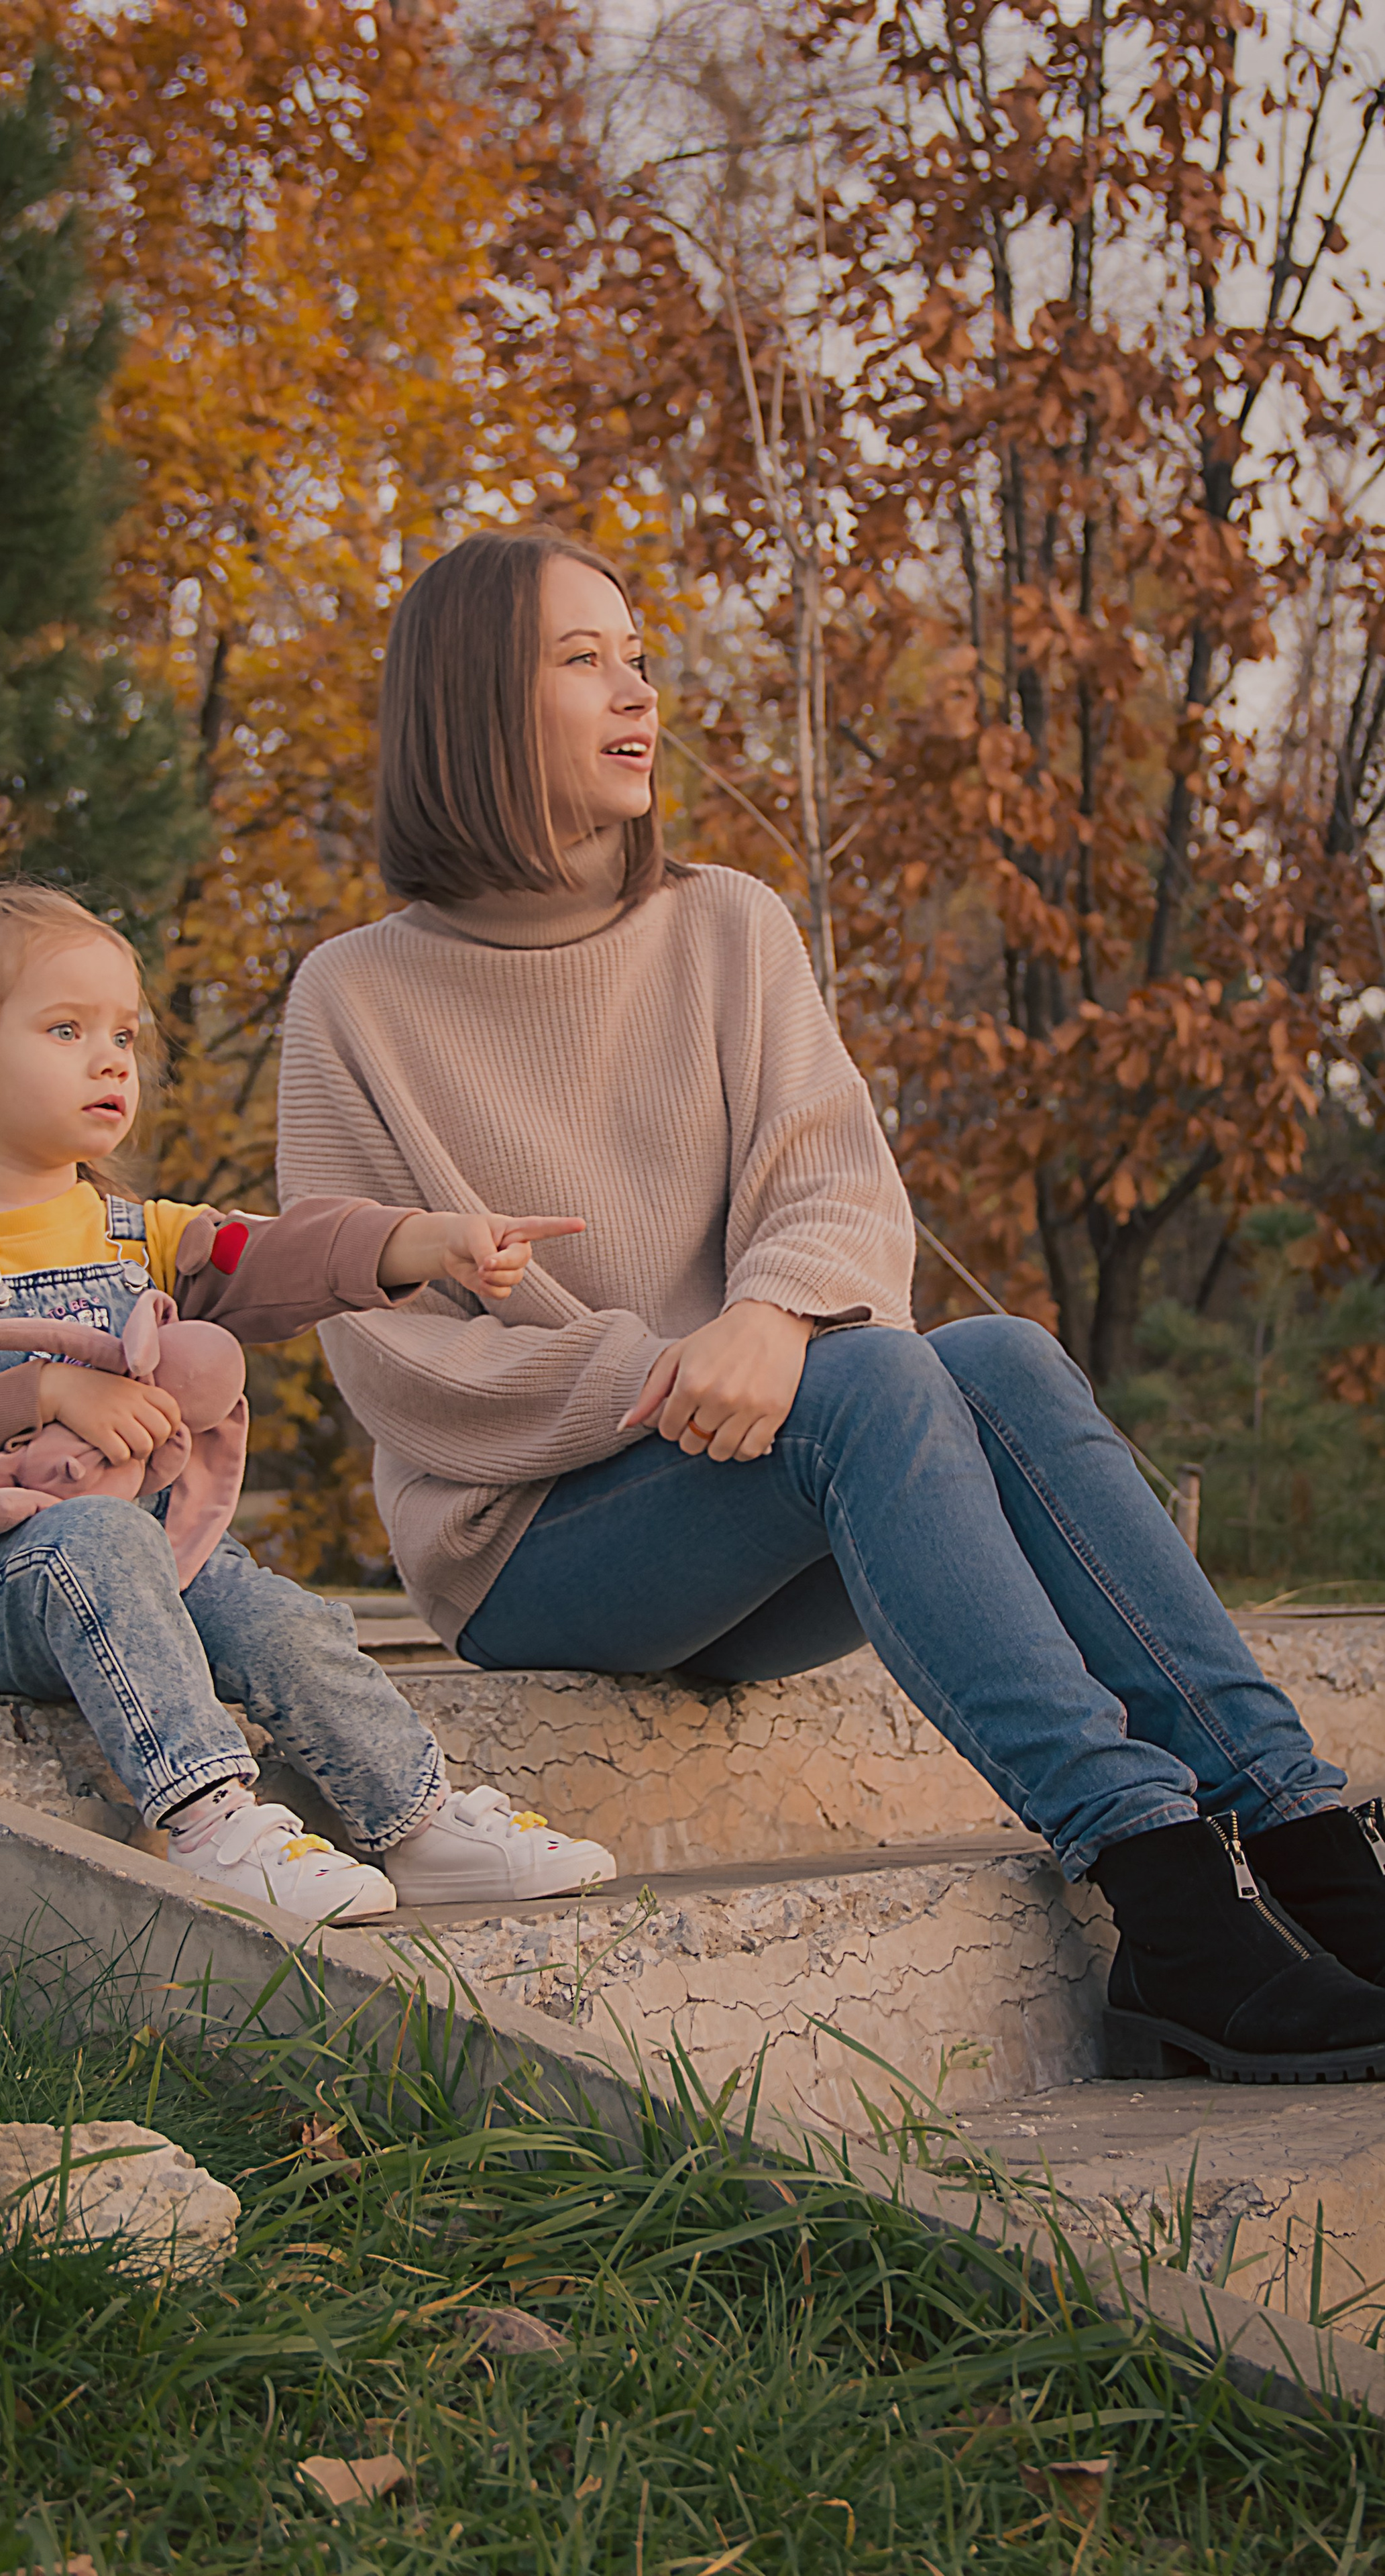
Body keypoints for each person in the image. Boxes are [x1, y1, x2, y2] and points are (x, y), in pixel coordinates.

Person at [276, 525, 1385, 2082]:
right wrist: (670, 1373)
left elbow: (837, 1187)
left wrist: (774, 1319)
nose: (637, 694)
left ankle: (1308, 1844)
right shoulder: (353, 997)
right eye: (582, 660)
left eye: (640, 657)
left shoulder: (727, 925)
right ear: (469, 703)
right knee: (873, 1383)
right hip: (534, 1549)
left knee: (993, 1351)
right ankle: (1165, 1898)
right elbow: (388, 1353)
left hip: (763, 1500)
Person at [0, 881, 616, 1922]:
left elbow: (275, 1252)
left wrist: (422, 1239)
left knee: (277, 1615)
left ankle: (415, 1824)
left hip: (156, 1559)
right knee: (101, 1539)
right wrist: (46, 1386)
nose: (112, 1059)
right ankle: (208, 1817)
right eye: (65, 1030)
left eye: (123, 1033)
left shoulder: (143, 1232)